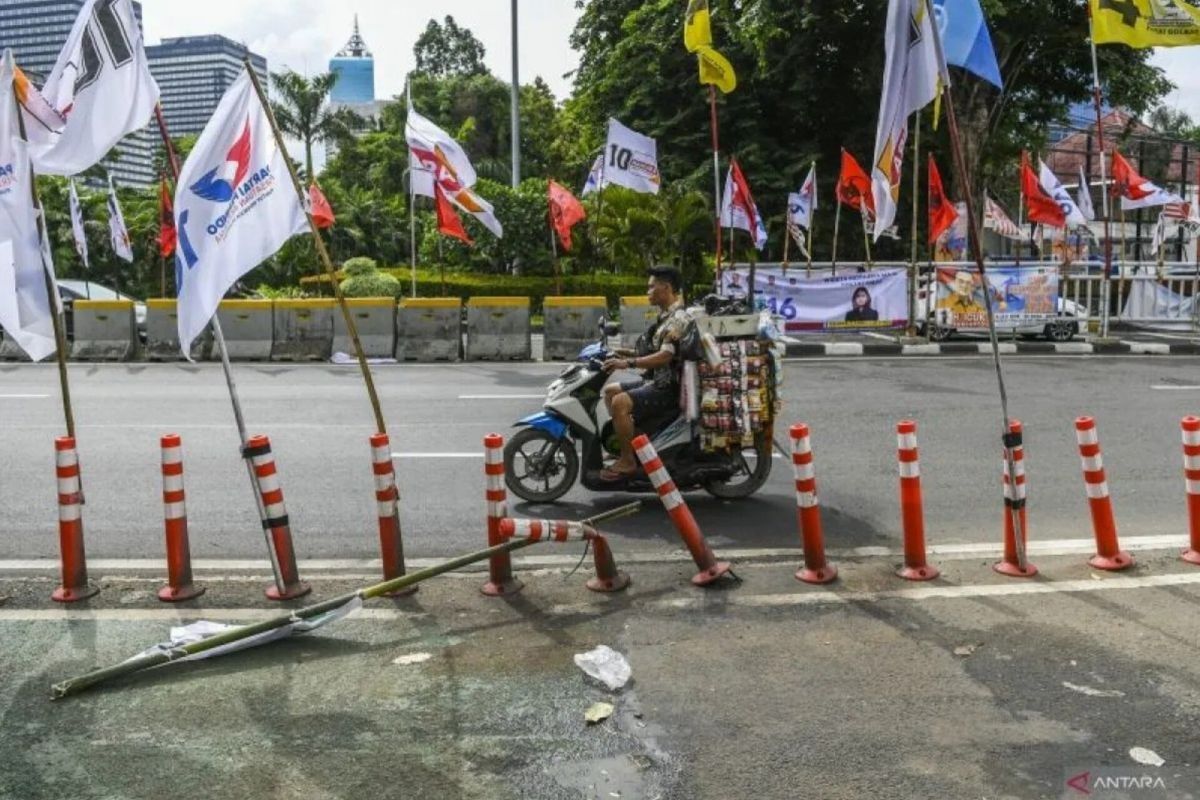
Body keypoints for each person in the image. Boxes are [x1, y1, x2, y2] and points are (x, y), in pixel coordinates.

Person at [599, 265, 692, 481]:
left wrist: (628, 363)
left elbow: (665, 356)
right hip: (656, 381)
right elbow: (651, 351)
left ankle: (628, 461)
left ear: (666, 288)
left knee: (620, 402)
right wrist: (618, 352)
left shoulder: (678, 319)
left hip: (667, 387)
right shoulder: (666, 317)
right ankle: (632, 444)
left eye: (651, 287)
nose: (647, 292)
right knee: (610, 391)